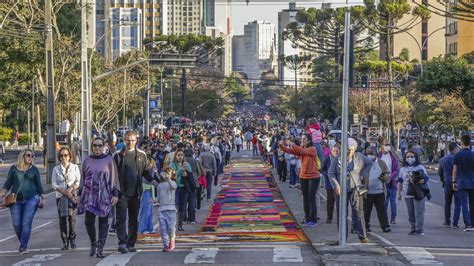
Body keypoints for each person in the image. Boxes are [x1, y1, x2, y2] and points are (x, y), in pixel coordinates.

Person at [113, 131, 157, 253]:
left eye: (132, 140)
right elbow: (112, 174)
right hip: (121, 192)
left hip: (136, 192)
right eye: (128, 140)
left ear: (136, 141)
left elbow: (146, 171)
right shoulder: (117, 155)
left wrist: (157, 182)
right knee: (121, 218)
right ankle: (122, 243)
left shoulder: (141, 155)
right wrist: (113, 191)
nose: (130, 142)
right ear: (124, 140)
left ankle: (131, 243)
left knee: (133, 219)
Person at [77, 137, 119, 258]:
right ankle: (93, 243)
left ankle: (100, 247)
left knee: (103, 222)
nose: (97, 148)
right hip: (89, 195)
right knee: (88, 221)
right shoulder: (87, 160)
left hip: (104, 195)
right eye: (95, 145)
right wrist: (79, 195)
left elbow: (114, 178)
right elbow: (82, 179)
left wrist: (115, 194)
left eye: (99, 145)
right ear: (92, 146)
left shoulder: (109, 160)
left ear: (103, 146)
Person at [0, 149, 45, 254]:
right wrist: (2, 195)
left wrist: (43, 198)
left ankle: (23, 246)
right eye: (28, 155)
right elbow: (8, 184)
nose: (31, 158)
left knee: (26, 223)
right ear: (22, 156)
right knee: (16, 224)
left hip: (32, 199)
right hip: (15, 200)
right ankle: (23, 242)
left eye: (32, 156)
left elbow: (39, 185)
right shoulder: (13, 169)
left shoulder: (34, 170)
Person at [329, 138, 372, 243]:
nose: (350, 152)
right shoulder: (337, 159)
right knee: (341, 213)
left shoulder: (360, 157)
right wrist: (336, 186)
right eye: (348, 149)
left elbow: (370, 163)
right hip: (341, 189)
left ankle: (362, 236)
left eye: (352, 150)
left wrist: (362, 175)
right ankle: (342, 237)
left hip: (355, 188)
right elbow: (331, 173)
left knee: (358, 212)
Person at [279, 133, 320, 227]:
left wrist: (292, 143)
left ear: (309, 141)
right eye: (301, 139)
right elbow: (289, 151)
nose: (302, 141)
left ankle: (313, 220)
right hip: (303, 177)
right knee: (305, 199)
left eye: (304, 139)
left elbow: (303, 151)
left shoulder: (312, 149)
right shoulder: (301, 150)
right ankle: (307, 218)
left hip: (313, 177)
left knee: (311, 199)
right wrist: (281, 145)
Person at [52, 147, 81, 250]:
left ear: (69, 156)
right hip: (60, 197)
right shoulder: (56, 169)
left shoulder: (75, 167)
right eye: (61, 156)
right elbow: (54, 184)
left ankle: (72, 240)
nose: (64, 157)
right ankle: (65, 242)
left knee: (72, 220)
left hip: (72, 196)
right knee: (62, 220)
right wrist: (63, 191)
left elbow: (78, 181)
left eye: (66, 155)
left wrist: (71, 189)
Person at [397, 150, 429, 235]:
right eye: (407, 157)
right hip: (407, 193)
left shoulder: (420, 167)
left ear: (415, 157)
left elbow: (425, 179)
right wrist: (398, 193)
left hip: (418, 193)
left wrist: (416, 180)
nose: (409, 158)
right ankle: (413, 228)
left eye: (411, 156)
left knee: (419, 212)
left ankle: (420, 229)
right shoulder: (403, 169)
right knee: (410, 212)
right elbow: (400, 181)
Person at [364, 146, 391, 233]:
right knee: (366, 210)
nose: (370, 155)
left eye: (371, 154)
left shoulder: (381, 163)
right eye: (368, 154)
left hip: (380, 191)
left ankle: (385, 226)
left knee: (382, 210)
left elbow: (387, 176)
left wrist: (385, 177)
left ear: (375, 154)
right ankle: (365, 226)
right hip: (367, 192)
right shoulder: (363, 163)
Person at [438, 142, 464, 228]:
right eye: (458, 148)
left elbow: (440, 172)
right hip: (457, 182)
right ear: (455, 149)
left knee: (447, 203)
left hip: (447, 182)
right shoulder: (459, 159)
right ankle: (455, 222)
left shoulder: (443, 159)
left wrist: (443, 180)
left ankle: (447, 221)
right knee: (458, 203)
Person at [452, 135, 474, 231]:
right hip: (472, 182)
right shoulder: (473, 154)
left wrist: (454, 181)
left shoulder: (458, 155)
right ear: (469, 143)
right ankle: (472, 223)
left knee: (464, 204)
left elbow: (455, 170)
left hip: (461, 182)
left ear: (461, 143)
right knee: (472, 203)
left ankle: (467, 224)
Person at [377, 140, 400, 224]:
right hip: (382, 182)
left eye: (387, 145)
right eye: (384, 145)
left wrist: (391, 177)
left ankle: (393, 218)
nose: (386, 146)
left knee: (392, 200)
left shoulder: (393, 156)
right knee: (384, 201)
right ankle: (384, 218)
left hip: (392, 182)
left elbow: (397, 169)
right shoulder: (378, 155)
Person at [170, 149, 193, 231]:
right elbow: (172, 175)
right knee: (175, 205)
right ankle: (173, 223)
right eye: (178, 155)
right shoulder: (172, 164)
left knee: (182, 207)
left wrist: (186, 172)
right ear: (175, 156)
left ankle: (180, 224)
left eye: (181, 155)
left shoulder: (187, 164)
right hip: (175, 187)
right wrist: (180, 170)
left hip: (184, 187)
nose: (180, 157)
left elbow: (190, 174)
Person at [157, 167, 178, 252]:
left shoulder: (173, 183)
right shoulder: (159, 185)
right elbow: (158, 197)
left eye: (168, 173)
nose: (166, 175)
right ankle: (166, 244)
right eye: (164, 173)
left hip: (171, 209)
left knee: (171, 228)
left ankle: (172, 240)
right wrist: (154, 200)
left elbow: (173, 187)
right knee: (163, 229)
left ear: (171, 175)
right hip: (161, 209)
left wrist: (169, 179)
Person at [138, 150, 159, 234]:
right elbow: (145, 177)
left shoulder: (151, 163)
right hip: (144, 188)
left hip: (150, 188)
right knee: (145, 210)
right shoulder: (142, 165)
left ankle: (150, 227)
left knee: (150, 210)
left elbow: (155, 175)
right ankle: (142, 228)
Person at [320, 145, 339, 223]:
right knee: (330, 201)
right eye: (334, 151)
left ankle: (340, 218)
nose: (335, 152)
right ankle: (329, 218)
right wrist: (327, 174)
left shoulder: (342, 159)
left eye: (337, 151)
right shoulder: (327, 159)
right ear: (331, 151)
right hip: (330, 184)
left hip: (339, 184)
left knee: (340, 202)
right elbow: (322, 169)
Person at [184, 148, 202, 224]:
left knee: (184, 202)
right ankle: (192, 219)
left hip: (184, 182)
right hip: (193, 183)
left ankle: (184, 219)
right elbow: (199, 172)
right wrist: (195, 177)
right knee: (192, 202)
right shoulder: (195, 161)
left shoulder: (183, 162)